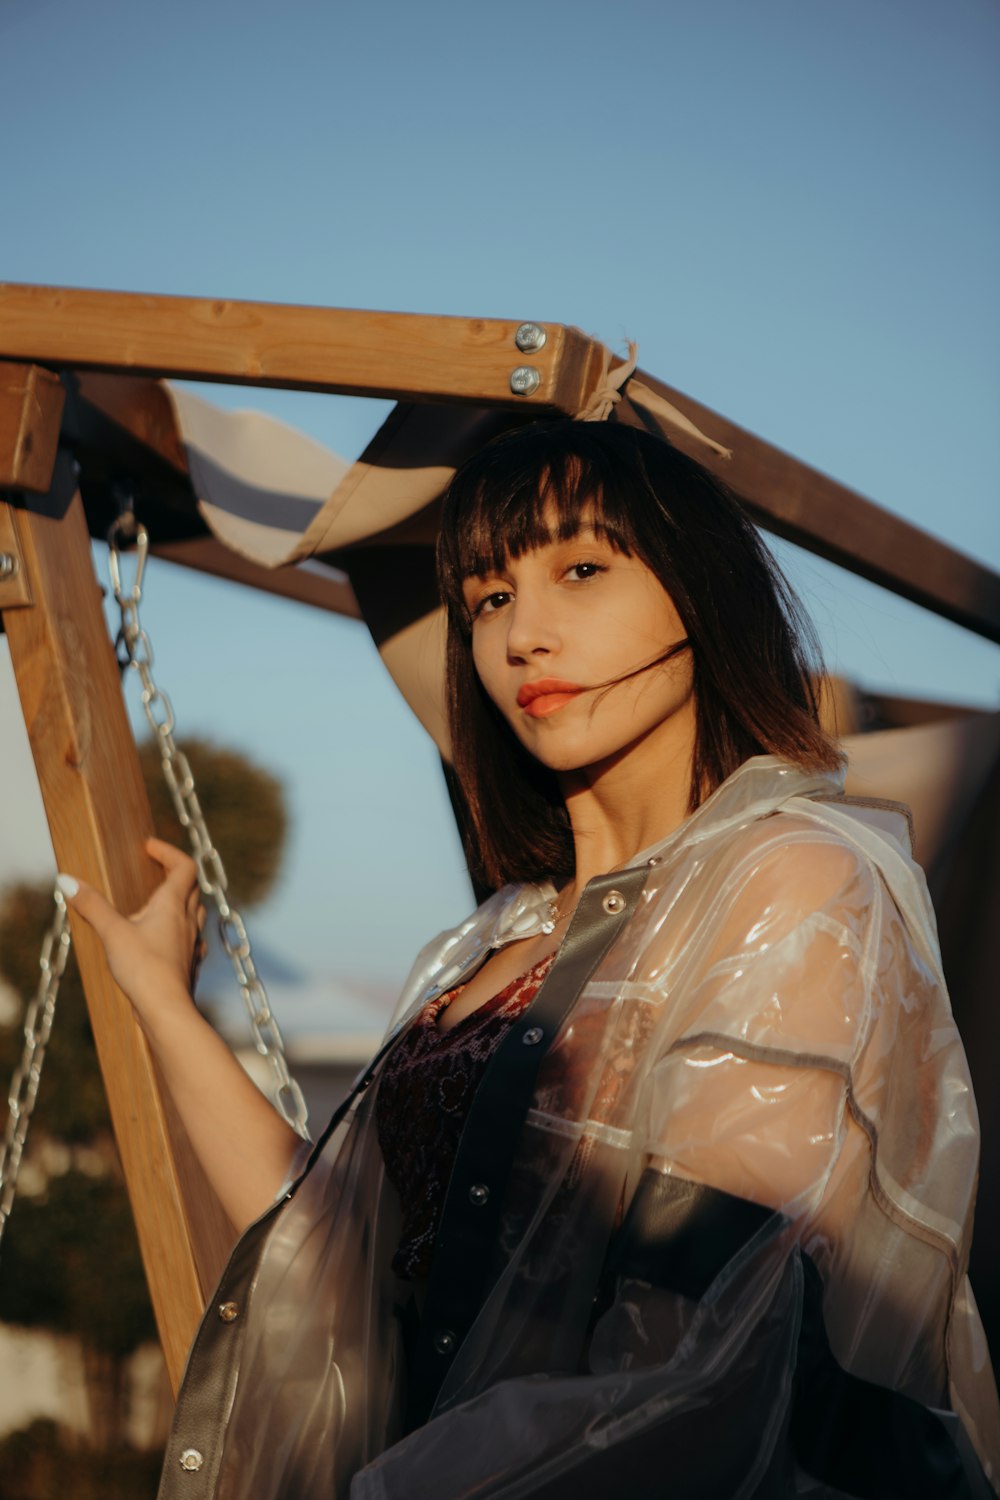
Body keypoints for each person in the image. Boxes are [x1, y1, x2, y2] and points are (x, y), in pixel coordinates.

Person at [58, 420, 999, 1498]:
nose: (521, 636)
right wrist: (158, 997)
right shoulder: (492, 936)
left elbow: (702, 1364)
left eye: (582, 570)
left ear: (702, 593)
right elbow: (329, 1255)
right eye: (489, 597)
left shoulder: (789, 878)